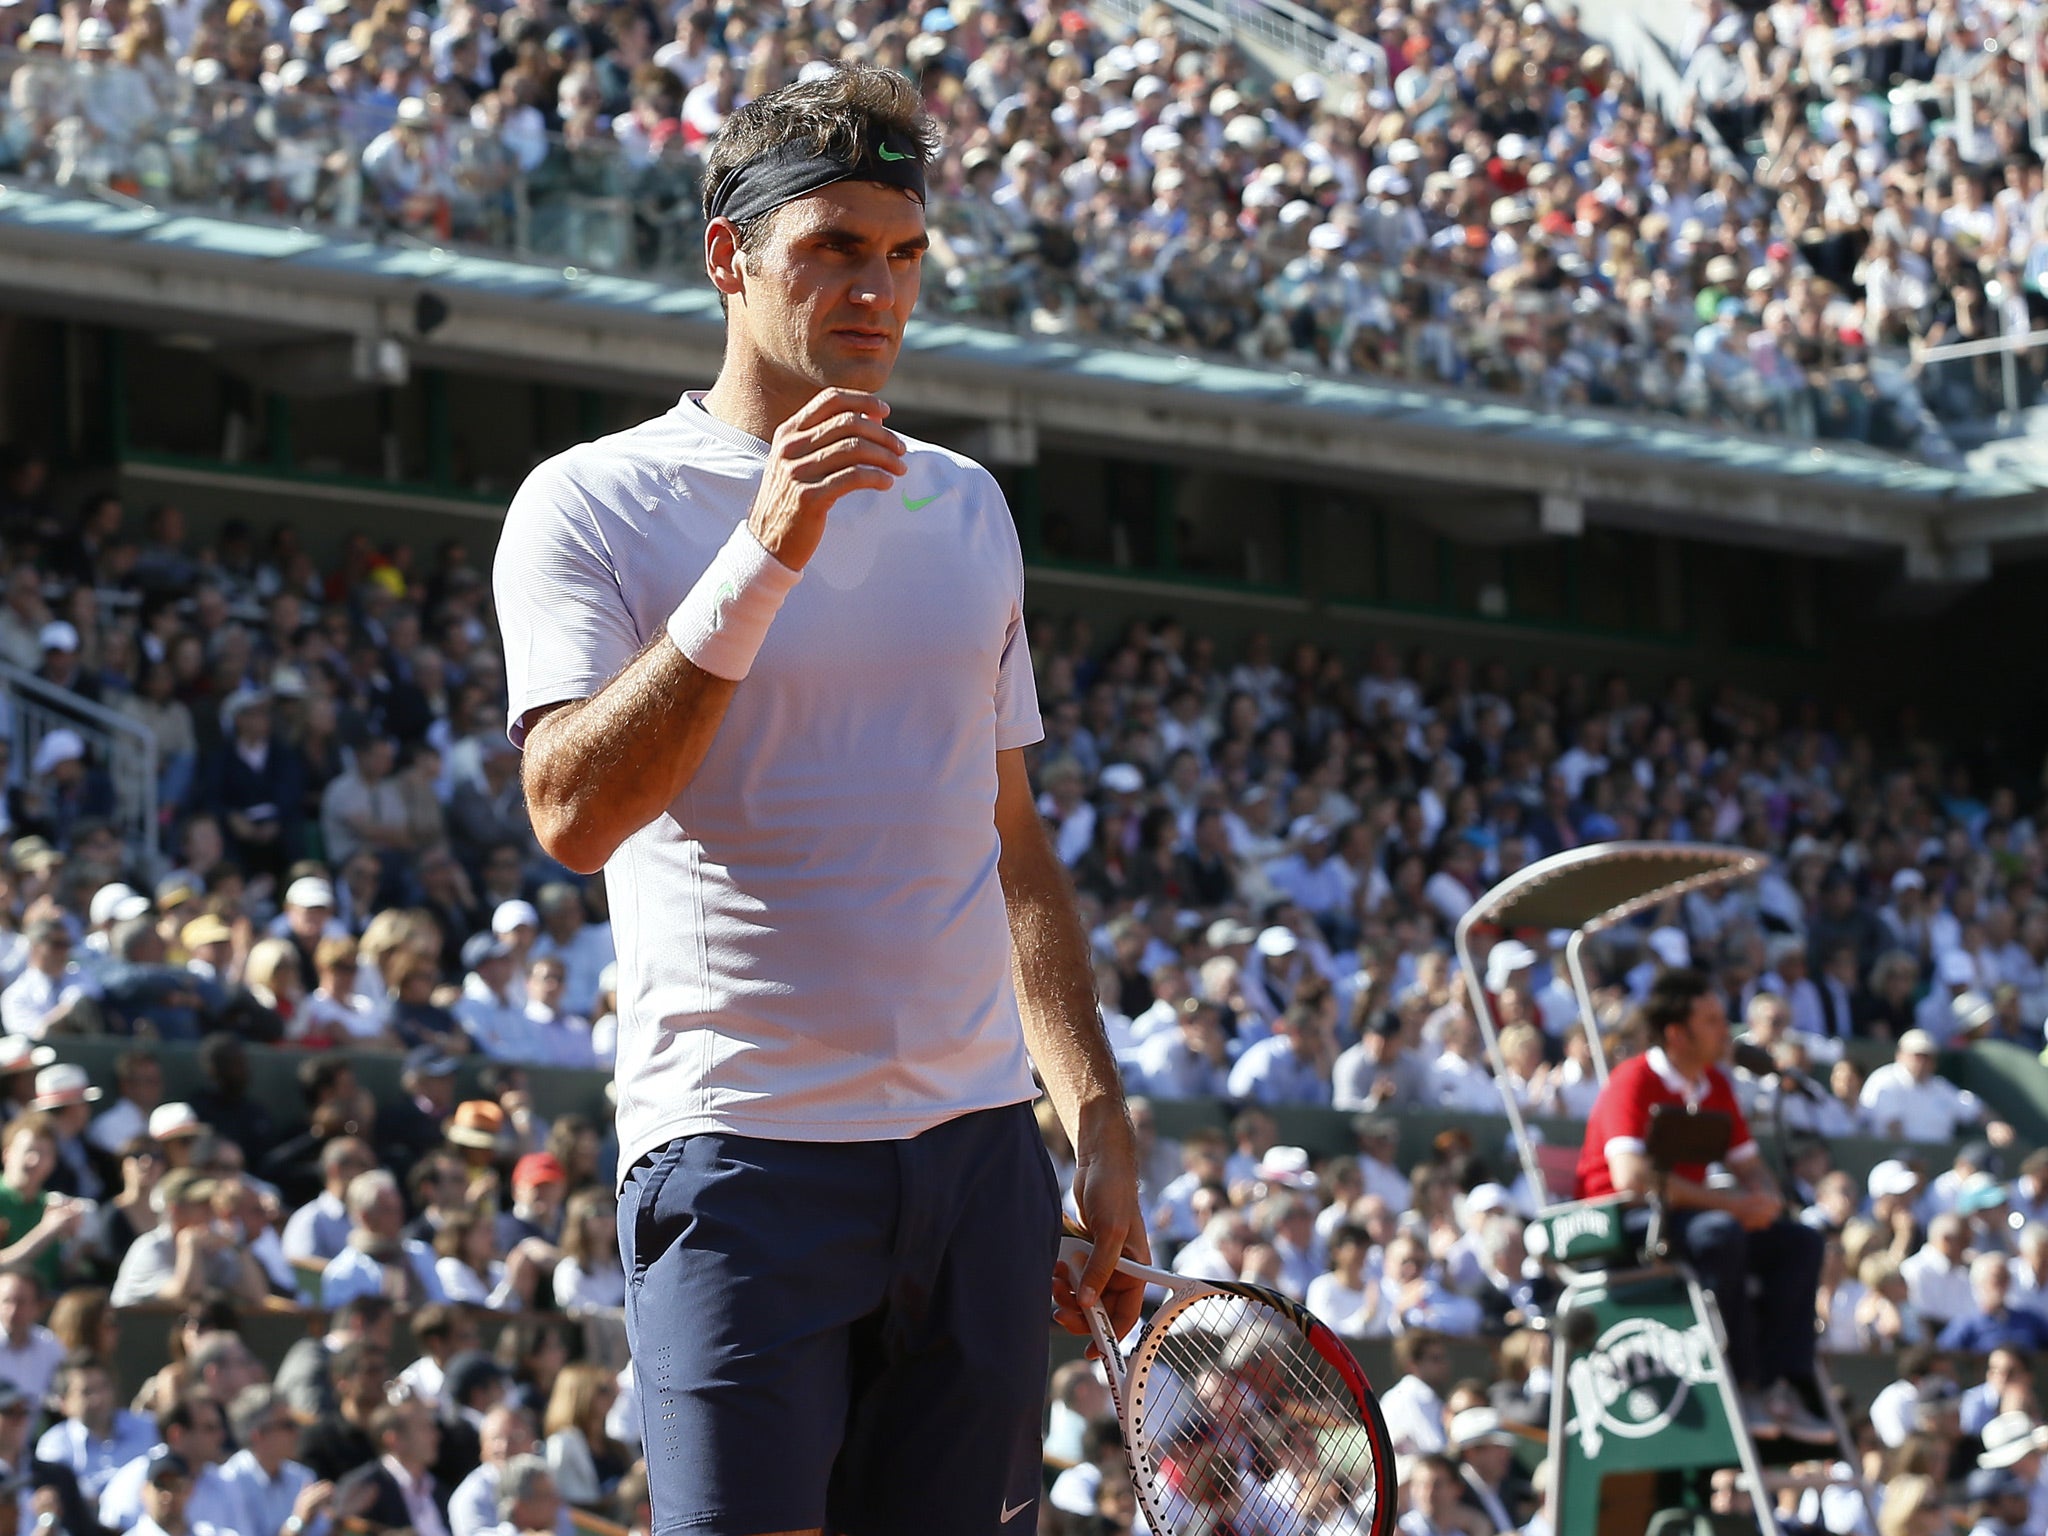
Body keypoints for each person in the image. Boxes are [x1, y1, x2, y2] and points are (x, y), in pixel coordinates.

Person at [499, 68, 1148, 1534]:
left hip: (980, 1159)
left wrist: (1088, 1102)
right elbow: (572, 814)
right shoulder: (590, 501)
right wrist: (767, 547)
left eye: (904, 252)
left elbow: (1010, 839)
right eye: (835, 249)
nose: (880, 289)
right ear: (728, 259)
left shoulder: (969, 502)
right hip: (740, 1156)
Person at [1574, 968, 1828, 1443]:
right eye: (1711, 1020)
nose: (1723, 1030)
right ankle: (1741, 1381)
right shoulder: (1634, 1081)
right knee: (1720, 1233)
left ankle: (1782, 1384)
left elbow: (1749, 1164)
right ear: (1677, 1033)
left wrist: (1765, 1201)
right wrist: (1736, 1207)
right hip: (1625, 1225)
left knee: (1799, 1243)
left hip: (1693, 1217)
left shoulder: (1715, 1083)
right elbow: (1632, 1180)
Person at [36, 1353, 158, 1502]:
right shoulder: (54, 1446)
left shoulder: (148, 1428)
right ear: (63, 1402)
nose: (98, 1398)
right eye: (86, 1392)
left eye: (103, 1387)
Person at [216, 1386, 334, 1536]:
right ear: (258, 1435)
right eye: (287, 1425)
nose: (296, 1432)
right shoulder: (230, 1482)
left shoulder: (301, 1476)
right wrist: (299, 1521)